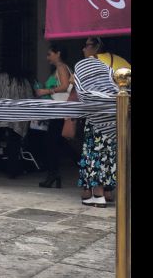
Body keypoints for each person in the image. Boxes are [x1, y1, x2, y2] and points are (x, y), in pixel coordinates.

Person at [73, 57, 120, 208]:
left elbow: (79, 90)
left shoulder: (83, 78)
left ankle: (97, 192)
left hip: (95, 121)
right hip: (112, 120)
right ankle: (105, 191)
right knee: (108, 155)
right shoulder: (109, 74)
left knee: (93, 154)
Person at [33, 44, 72, 188]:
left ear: (58, 53)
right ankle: (54, 174)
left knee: (51, 143)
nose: (47, 57)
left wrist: (45, 91)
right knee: (56, 143)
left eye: (50, 54)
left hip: (60, 111)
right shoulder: (61, 68)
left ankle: (53, 174)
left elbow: (64, 86)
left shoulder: (61, 67)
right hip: (59, 111)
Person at [0, 69, 33, 178]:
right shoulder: (23, 81)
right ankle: (13, 171)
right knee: (14, 143)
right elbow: (29, 98)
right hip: (17, 116)